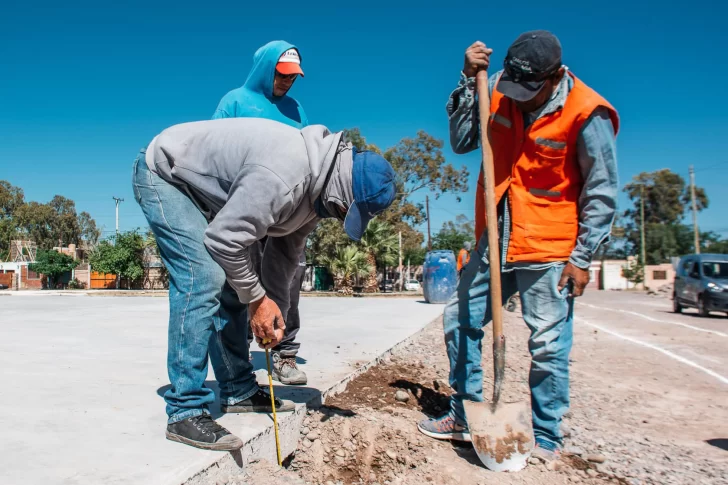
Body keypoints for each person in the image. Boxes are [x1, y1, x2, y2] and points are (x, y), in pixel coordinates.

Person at [133, 118, 396, 451]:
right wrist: (257, 300)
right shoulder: (284, 177)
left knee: (233, 283)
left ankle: (238, 388)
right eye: (344, 208)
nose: (340, 215)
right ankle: (185, 409)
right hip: (165, 174)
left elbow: (284, 256)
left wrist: (275, 315)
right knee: (203, 278)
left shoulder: (318, 191)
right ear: (340, 187)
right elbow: (224, 240)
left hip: (205, 194)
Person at [417, 31, 619, 462]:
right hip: (495, 237)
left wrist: (582, 258)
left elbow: (601, 193)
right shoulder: (500, 90)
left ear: (556, 76)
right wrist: (467, 79)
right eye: (513, 87)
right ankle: (466, 414)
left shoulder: (587, 112)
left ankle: (546, 435)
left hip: (550, 245)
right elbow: (462, 141)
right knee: (460, 320)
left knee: (547, 342)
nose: (518, 98)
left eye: (530, 91)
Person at [212, 40, 309, 385]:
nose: (288, 82)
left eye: (293, 76)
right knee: (240, 286)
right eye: (282, 74)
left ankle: (285, 355)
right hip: (244, 210)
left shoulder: (296, 109)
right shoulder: (235, 102)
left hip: (285, 214)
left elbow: (307, 157)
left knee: (288, 281)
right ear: (265, 68)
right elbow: (214, 152)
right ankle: (240, 366)